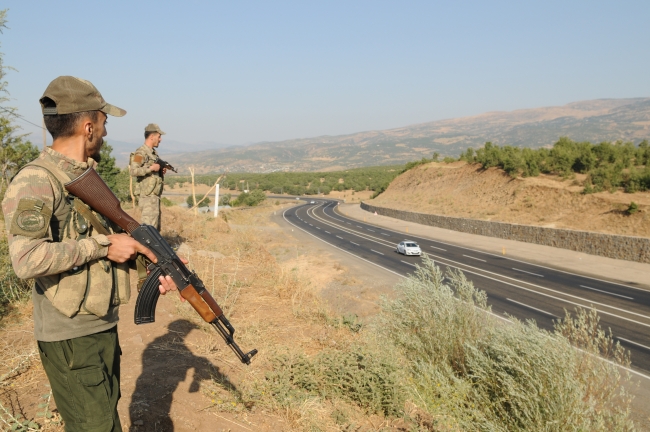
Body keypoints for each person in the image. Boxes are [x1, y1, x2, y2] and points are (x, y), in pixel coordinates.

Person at [1, 76, 180, 432]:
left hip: (98, 322)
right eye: (104, 122)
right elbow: (26, 260)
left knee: (102, 416)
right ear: (87, 127)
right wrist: (104, 246)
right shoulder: (37, 180)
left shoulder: (85, 177)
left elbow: (106, 241)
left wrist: (152, 261)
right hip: (69, 334)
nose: (106, 132)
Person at [129, 124, 166, 230]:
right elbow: (133, 171)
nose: (160, 139)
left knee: (155, 229)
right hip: (147, 197)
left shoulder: (153, 154)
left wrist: (159, 171)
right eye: (159, 137)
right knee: (149, 230)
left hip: (153, 197)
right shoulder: (140, 153)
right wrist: (151, 169)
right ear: (152, 137)